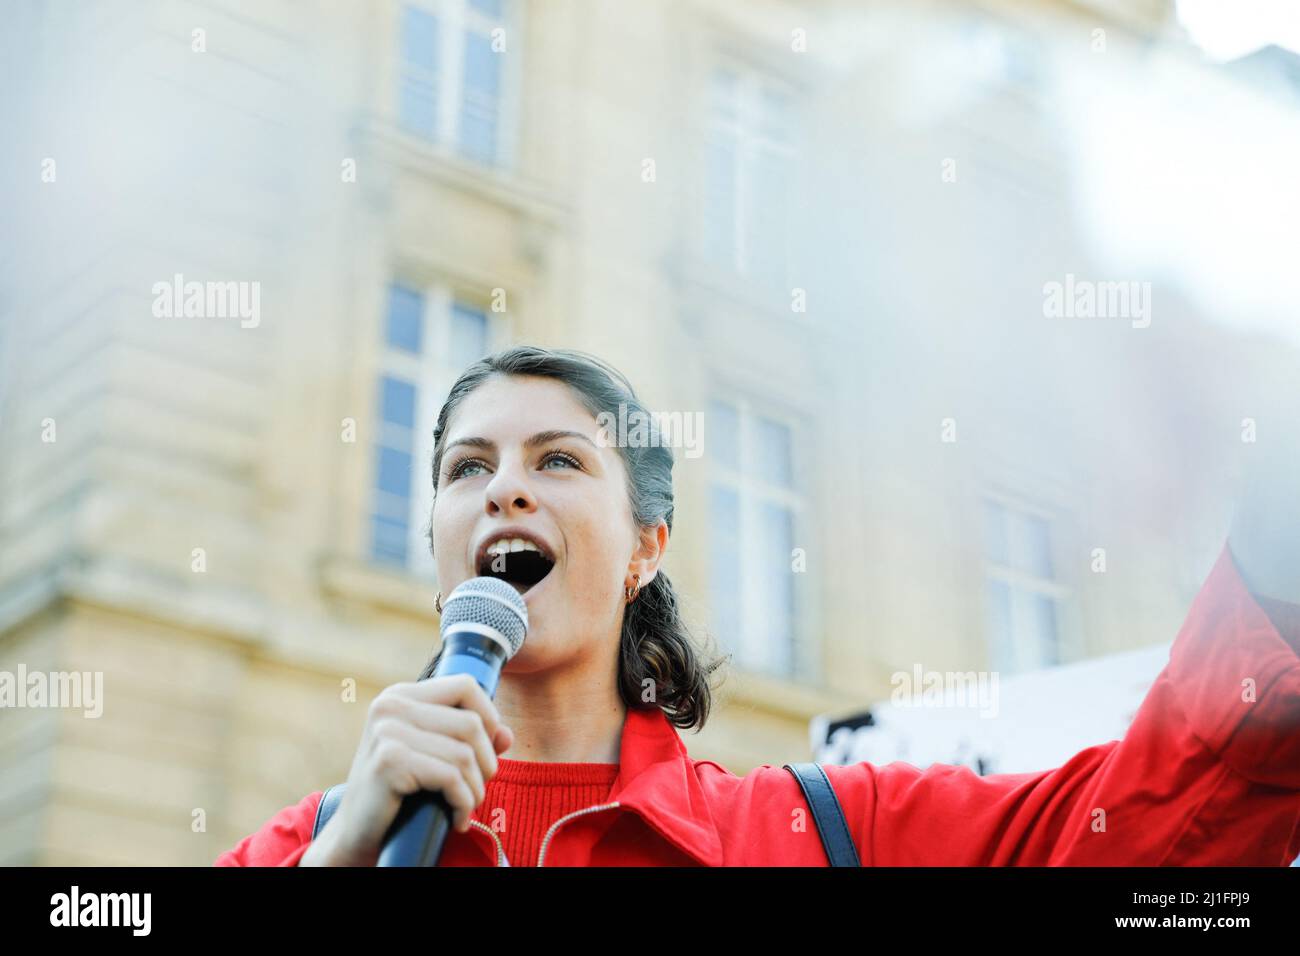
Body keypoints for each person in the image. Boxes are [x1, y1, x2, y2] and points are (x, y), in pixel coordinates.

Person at [215, 345, 1300, 867]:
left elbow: (1135, 822)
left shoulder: (821, 834)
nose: (503, 487)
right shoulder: (308, 842)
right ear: (439, 552)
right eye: (464, 469)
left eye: (558, 459)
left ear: (648, 545)